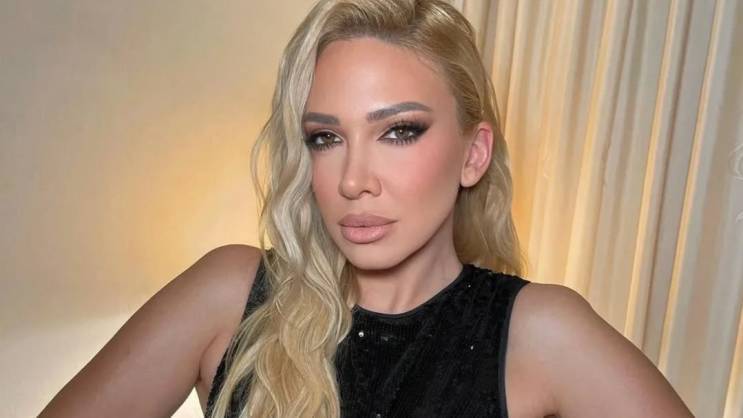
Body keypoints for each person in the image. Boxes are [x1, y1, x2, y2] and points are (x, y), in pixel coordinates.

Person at [40, 0, 695, 417]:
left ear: (473, 154)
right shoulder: (231, 296)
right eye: (325, 138)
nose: (354, 180)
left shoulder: (538, 333)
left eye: (399, 131)